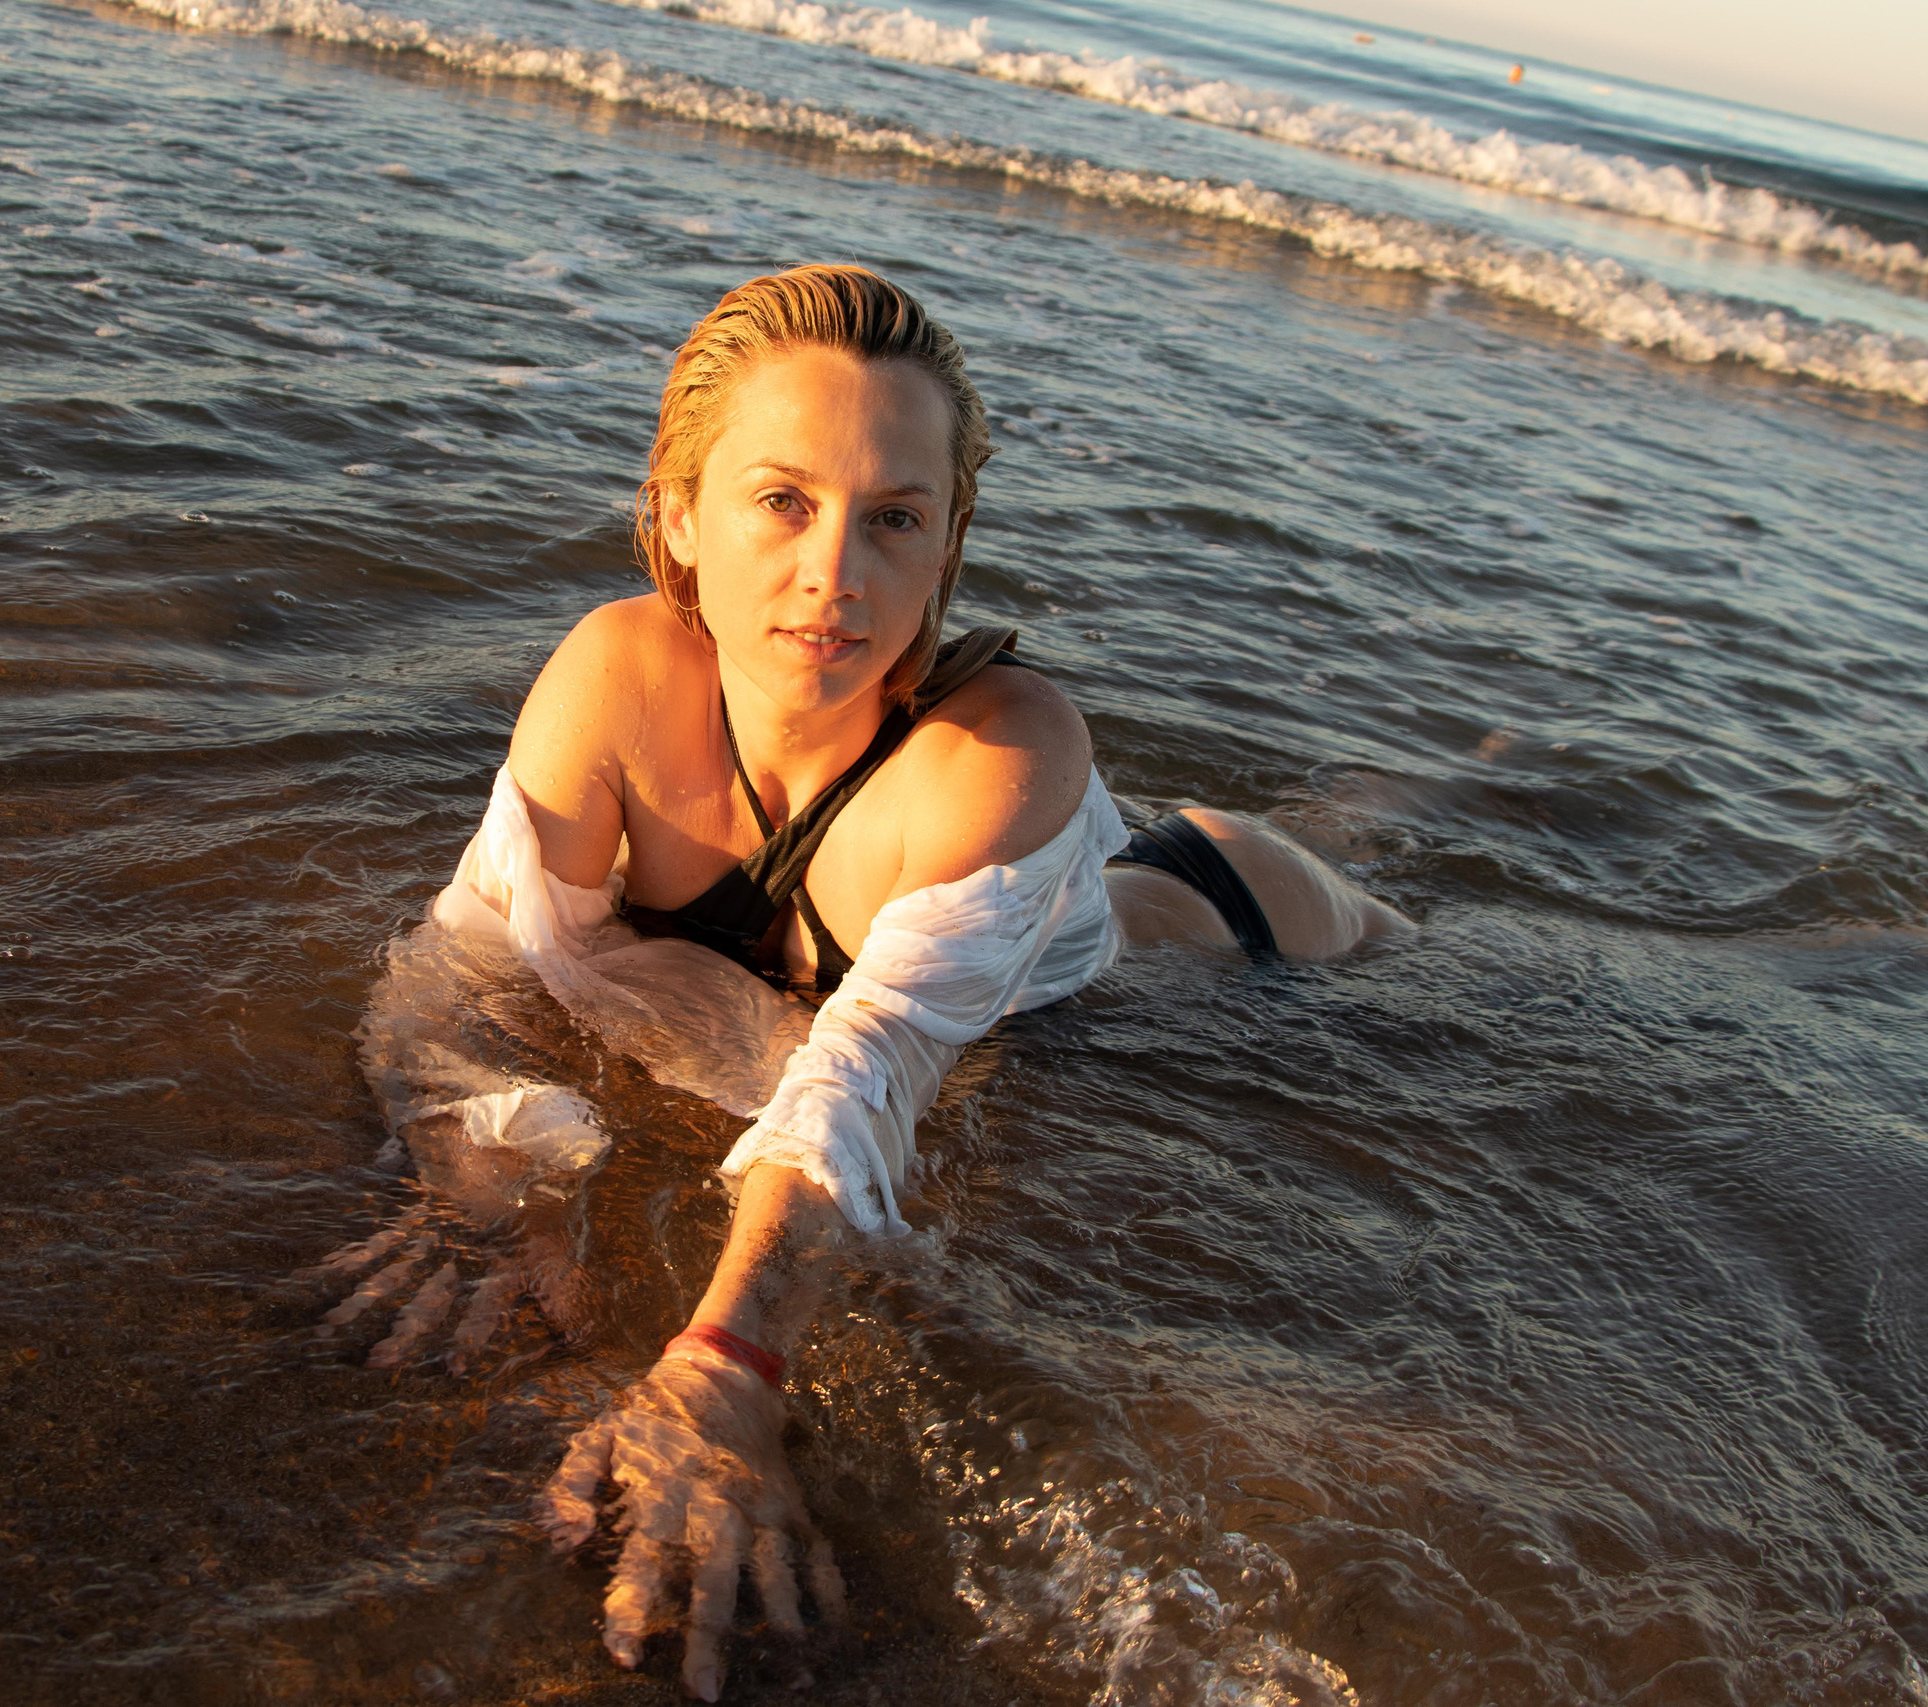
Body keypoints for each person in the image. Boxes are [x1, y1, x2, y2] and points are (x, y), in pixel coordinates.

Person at [428, 264, 1407, 1700]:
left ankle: (1432, 793)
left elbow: (869, 1066)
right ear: (681, 513)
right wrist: (480, 1180)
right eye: (783, 501)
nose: (836, 573)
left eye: (894, 518)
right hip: (1099, 866)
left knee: (1393, 847)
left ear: (948, 543)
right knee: (1357, 805)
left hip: (1236, 913)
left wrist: (726, 1364)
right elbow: (464, 962)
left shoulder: (1004, 747)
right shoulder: (616, 678)